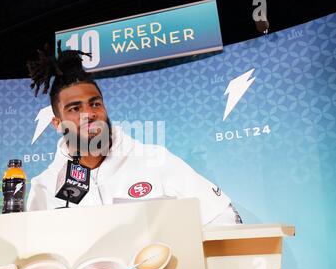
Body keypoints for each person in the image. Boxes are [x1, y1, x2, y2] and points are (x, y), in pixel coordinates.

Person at [25, 41, 242, 226]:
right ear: (56, 123)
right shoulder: (45, 186)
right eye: (75, 108)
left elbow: (222, 216)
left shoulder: (154, 159)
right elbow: (34, 256)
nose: (89, 114)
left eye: (95, 104)